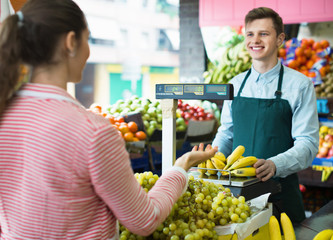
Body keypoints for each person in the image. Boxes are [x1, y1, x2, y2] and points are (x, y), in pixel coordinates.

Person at [0, 0, 218, 239]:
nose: (88, 50)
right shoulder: (94, 132)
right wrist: (181, 167)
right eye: (88, 39)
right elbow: (145, 219)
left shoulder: (5, 114)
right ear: (71, 42)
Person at [212, 7, 319, 223]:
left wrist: (275, 164)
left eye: (264, 33)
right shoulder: (235, 85)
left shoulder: (300, 85)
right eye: (250, 34)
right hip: (235, 199)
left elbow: (308, 143)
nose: (255, 40)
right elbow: (227, 133)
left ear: (280, 39)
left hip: (281, 195)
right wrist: (211, 156)